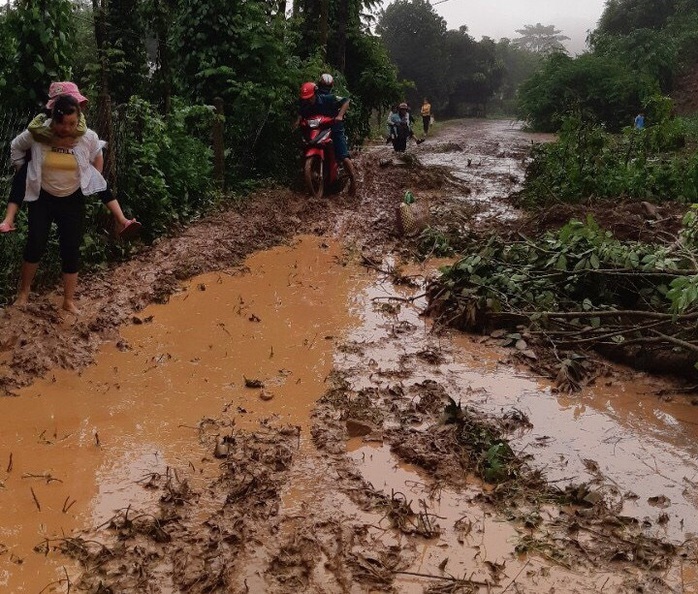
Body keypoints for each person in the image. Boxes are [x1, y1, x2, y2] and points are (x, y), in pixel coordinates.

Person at [10, 94, 118, 313]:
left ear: (78, 119)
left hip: (72, 198)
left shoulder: (86, 137)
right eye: (62, 123)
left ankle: (68, 301)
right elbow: (15, 146)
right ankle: (24, 293)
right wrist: (23, 171)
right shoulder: (39, 135)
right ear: (53, 120)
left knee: (70, 248)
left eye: (72, 123)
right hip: (43, 197)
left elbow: (97, 152)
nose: (67, 128)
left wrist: (93, 176)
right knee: (35, 243)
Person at [0, 81, 140, 239]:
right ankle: (9, 218)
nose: (67, 127)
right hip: (43, 183)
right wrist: (22, 166)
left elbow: (95, 149)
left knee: (101, 183)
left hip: (74, 184)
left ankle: (122, 219)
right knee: (21, 176)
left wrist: (92, 176)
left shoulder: (82, 129)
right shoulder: (40, 129)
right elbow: (21, 142)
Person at [295, 76, 356, 195]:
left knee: (343, 155)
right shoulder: (305, 102)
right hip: (317, 128)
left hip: (334, 126)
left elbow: (346, 100)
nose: (308, 100)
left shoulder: (328, 98)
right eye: (306, 99)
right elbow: (301, 112)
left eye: (310, 98)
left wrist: (339, 116)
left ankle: (353, 181)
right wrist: (298, 122)